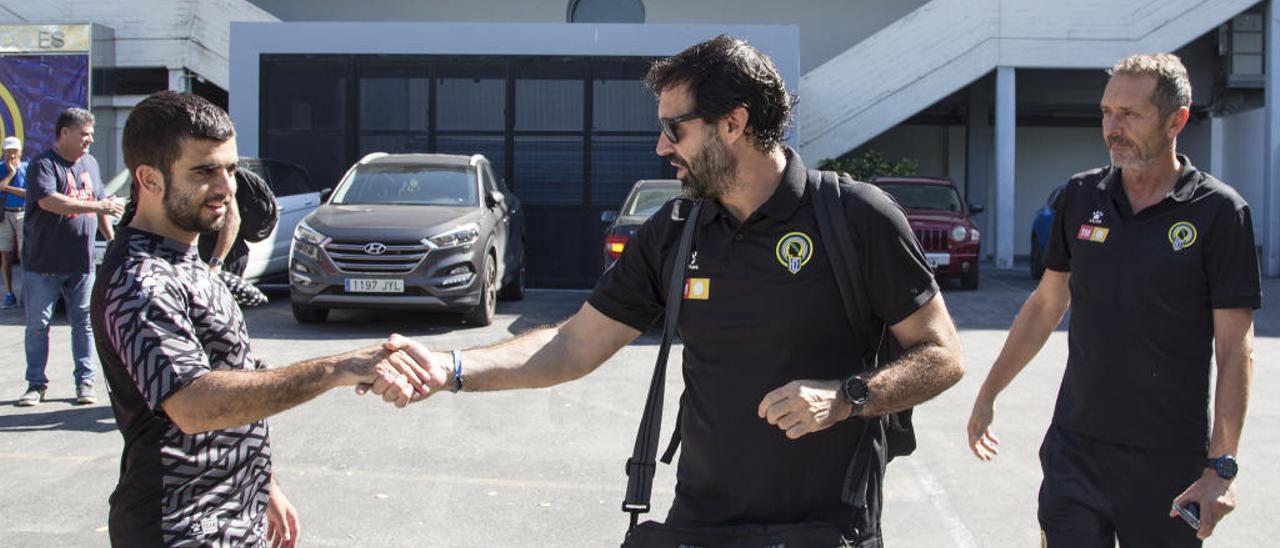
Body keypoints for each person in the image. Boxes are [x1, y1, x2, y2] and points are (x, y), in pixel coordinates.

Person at [383, 35, 966, 546]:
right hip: (699, 526)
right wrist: (450, 367)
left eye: (674, 129)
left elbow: (943, 356)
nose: (662, 147)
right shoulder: (675, 230)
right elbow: (572, 346)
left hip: (827, 528)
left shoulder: (853, 217)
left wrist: (847, 397)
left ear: (732, 124)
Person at [90, 91, 426, 547]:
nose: (227, 188)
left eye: (230, 168)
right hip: (178, 527)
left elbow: (233, 375)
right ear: (149, 179)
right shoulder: (140, 280)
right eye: (204, 171)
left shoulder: (187, 259)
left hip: (234, 513)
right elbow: (192, 404)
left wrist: (264, 481)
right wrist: (335, 369)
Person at [966, 53, 1259, 548]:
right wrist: (988, 392)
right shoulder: (1081, 196)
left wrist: (1220, 468)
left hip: (1168, 464)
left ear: (1176, 121)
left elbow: (1236, 349)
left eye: (1129, 114)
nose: (1112, 127)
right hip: (1075, 452)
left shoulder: (1219, 213)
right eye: (1106, 111)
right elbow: (1046, 304)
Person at [16, 108, 125, 407]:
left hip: (81, 264)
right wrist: (98, 207)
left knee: (84, 324)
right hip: (43, 265)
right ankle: (35, 384)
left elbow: (101, 206)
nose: (90, 139)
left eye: (91, 134)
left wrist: (113, 241)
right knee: (38, 326)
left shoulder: (90, 163)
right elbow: (50, 202)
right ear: (65, 133)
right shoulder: (44, 164)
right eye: (84, 134)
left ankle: (84, 383)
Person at [0, 136, 27, 308]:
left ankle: (26, 292)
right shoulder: (1, 168)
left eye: (14, 151)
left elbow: (28, 193)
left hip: (23, 213)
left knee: (24, 254)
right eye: (8, 151)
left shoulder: (27, 167)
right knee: (5, 253)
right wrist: (10, 174)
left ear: (20, 151)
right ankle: (9, 293)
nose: (11, 155)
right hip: (4, 214)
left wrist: (7, 187)